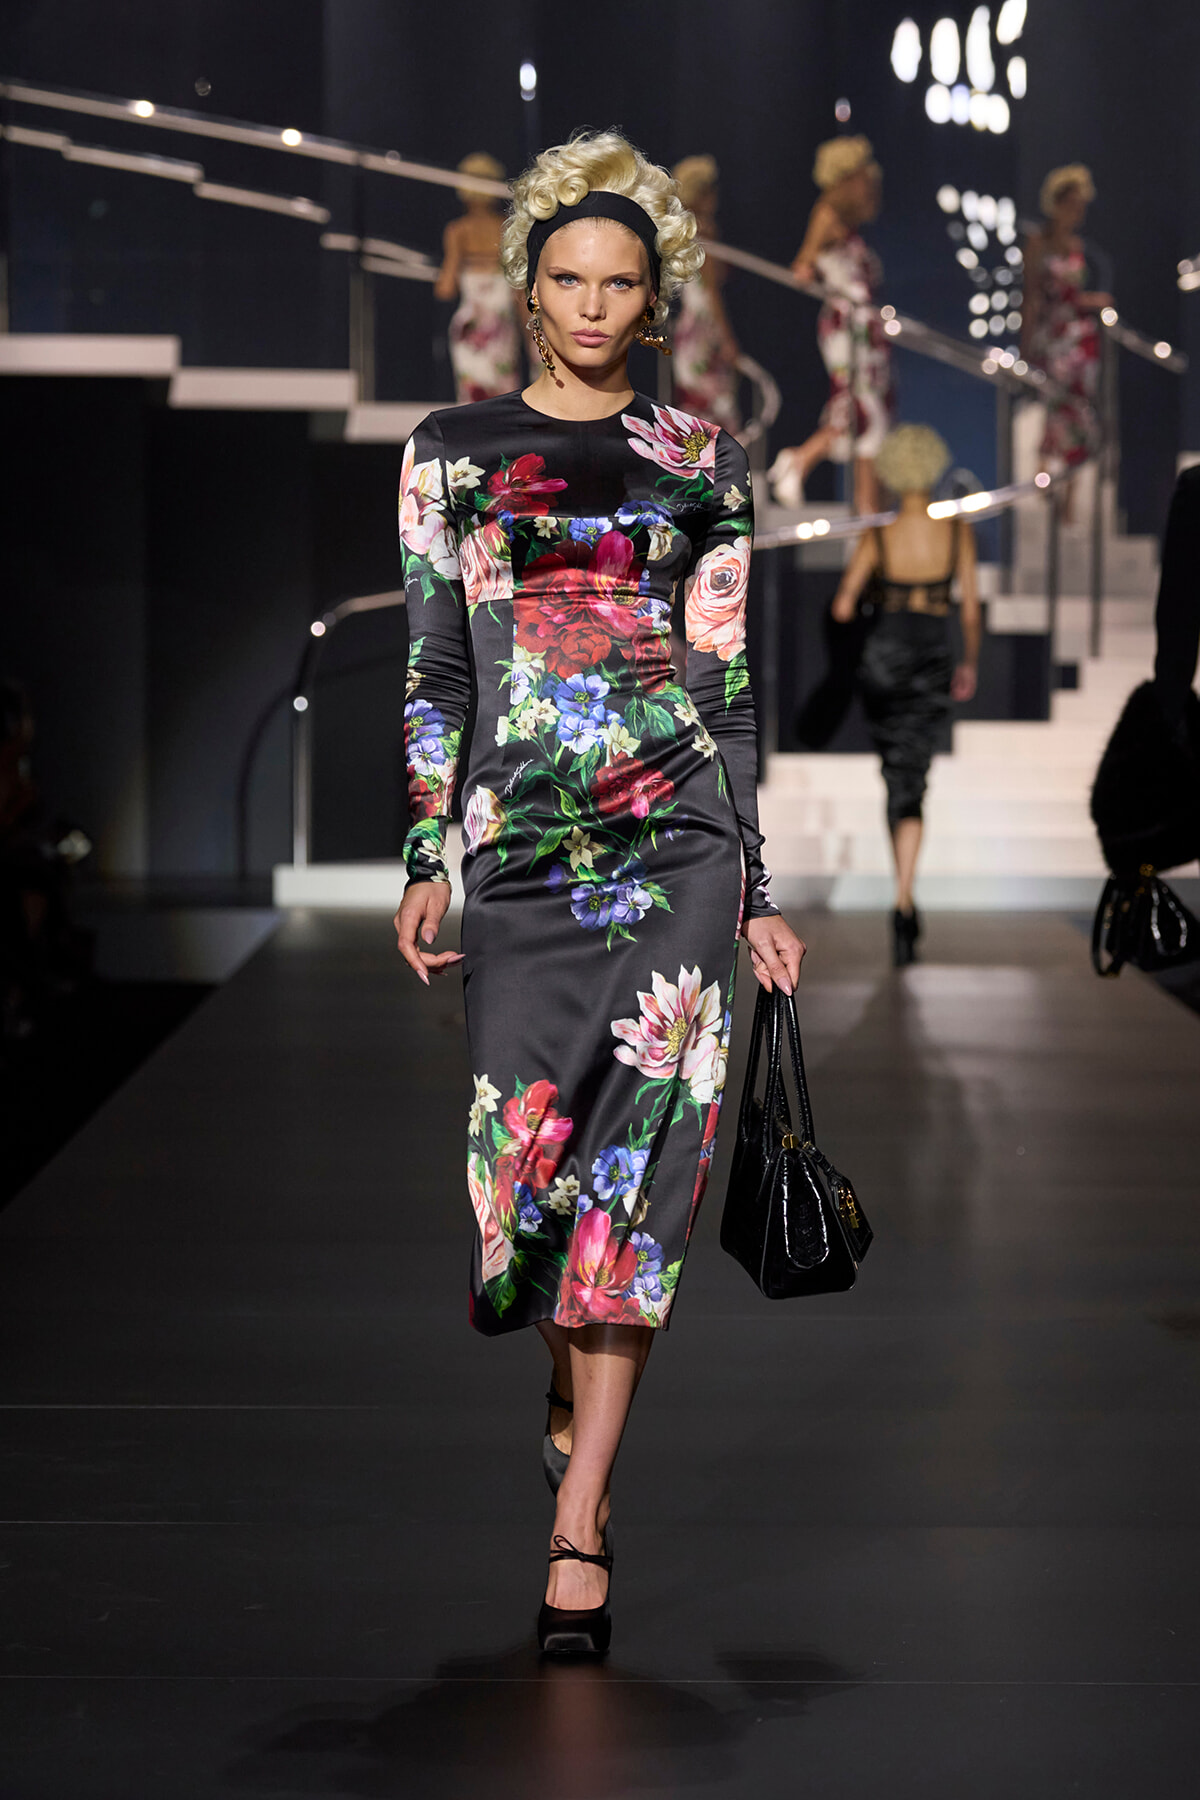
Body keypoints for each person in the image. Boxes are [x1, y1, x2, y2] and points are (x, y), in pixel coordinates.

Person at [393, 129, 804, 1657]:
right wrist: (427, 854)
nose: (589, 305)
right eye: (567, 277)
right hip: (518, 857)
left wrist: (751, 881)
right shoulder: (452, 449)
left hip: (676, 847)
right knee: (531, 1191)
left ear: (658, 296)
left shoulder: (701, 465)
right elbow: (440, 668)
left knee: (639, 1185)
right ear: (530, 282)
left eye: (619, 282)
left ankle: (579, 1529)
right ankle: (568, 1371)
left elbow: (730, 685)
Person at [829, 425, 981, 965]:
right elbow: (968, 610)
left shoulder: (880, 535)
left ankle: (901, 895)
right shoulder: (958, 533)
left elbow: (843, 606)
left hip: (885, 659)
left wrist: (874, 596)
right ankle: (904, 898)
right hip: (931, 658)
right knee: (914, 776)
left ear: (893, 470)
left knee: (894, 772)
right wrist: (969, 662)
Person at [768, 135, 893, 516]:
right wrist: (816, 269)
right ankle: (800, 460)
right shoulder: (826, 214)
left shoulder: (849, 224)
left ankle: (803, 463)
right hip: (845, 328)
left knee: (864, 409)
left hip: (867, 331)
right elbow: (801, 265)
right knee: (860, 407)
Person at [1020, 165, 1113, 519]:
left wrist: (1092, 301)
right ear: (1057, 203)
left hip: (1081, 341)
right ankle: (1045, 479)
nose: (1078, 212)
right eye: (1073, 204)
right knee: (1057, 411)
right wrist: (1025, 347)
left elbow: (1073, 296)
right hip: (1052, 342)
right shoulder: (1038, 243)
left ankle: (1070, 498)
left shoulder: (1077, 246)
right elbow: (1031, 298)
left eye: (1082, 205)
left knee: (1080, 414)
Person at [434, 152, 522, 405]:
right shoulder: (507, 229)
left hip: (472, 328)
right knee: (502, 401)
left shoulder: (458, 231)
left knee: (472, 400)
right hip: (501, 327)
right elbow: (519, 290)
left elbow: (445, 289)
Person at [670, 155, 740, 433]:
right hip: (704, 330)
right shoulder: (703, 234)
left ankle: (696, 474)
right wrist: (727, 339)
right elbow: (710, 292)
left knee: (698, 413)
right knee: (716, 410)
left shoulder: (686, 232)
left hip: (690, 331)